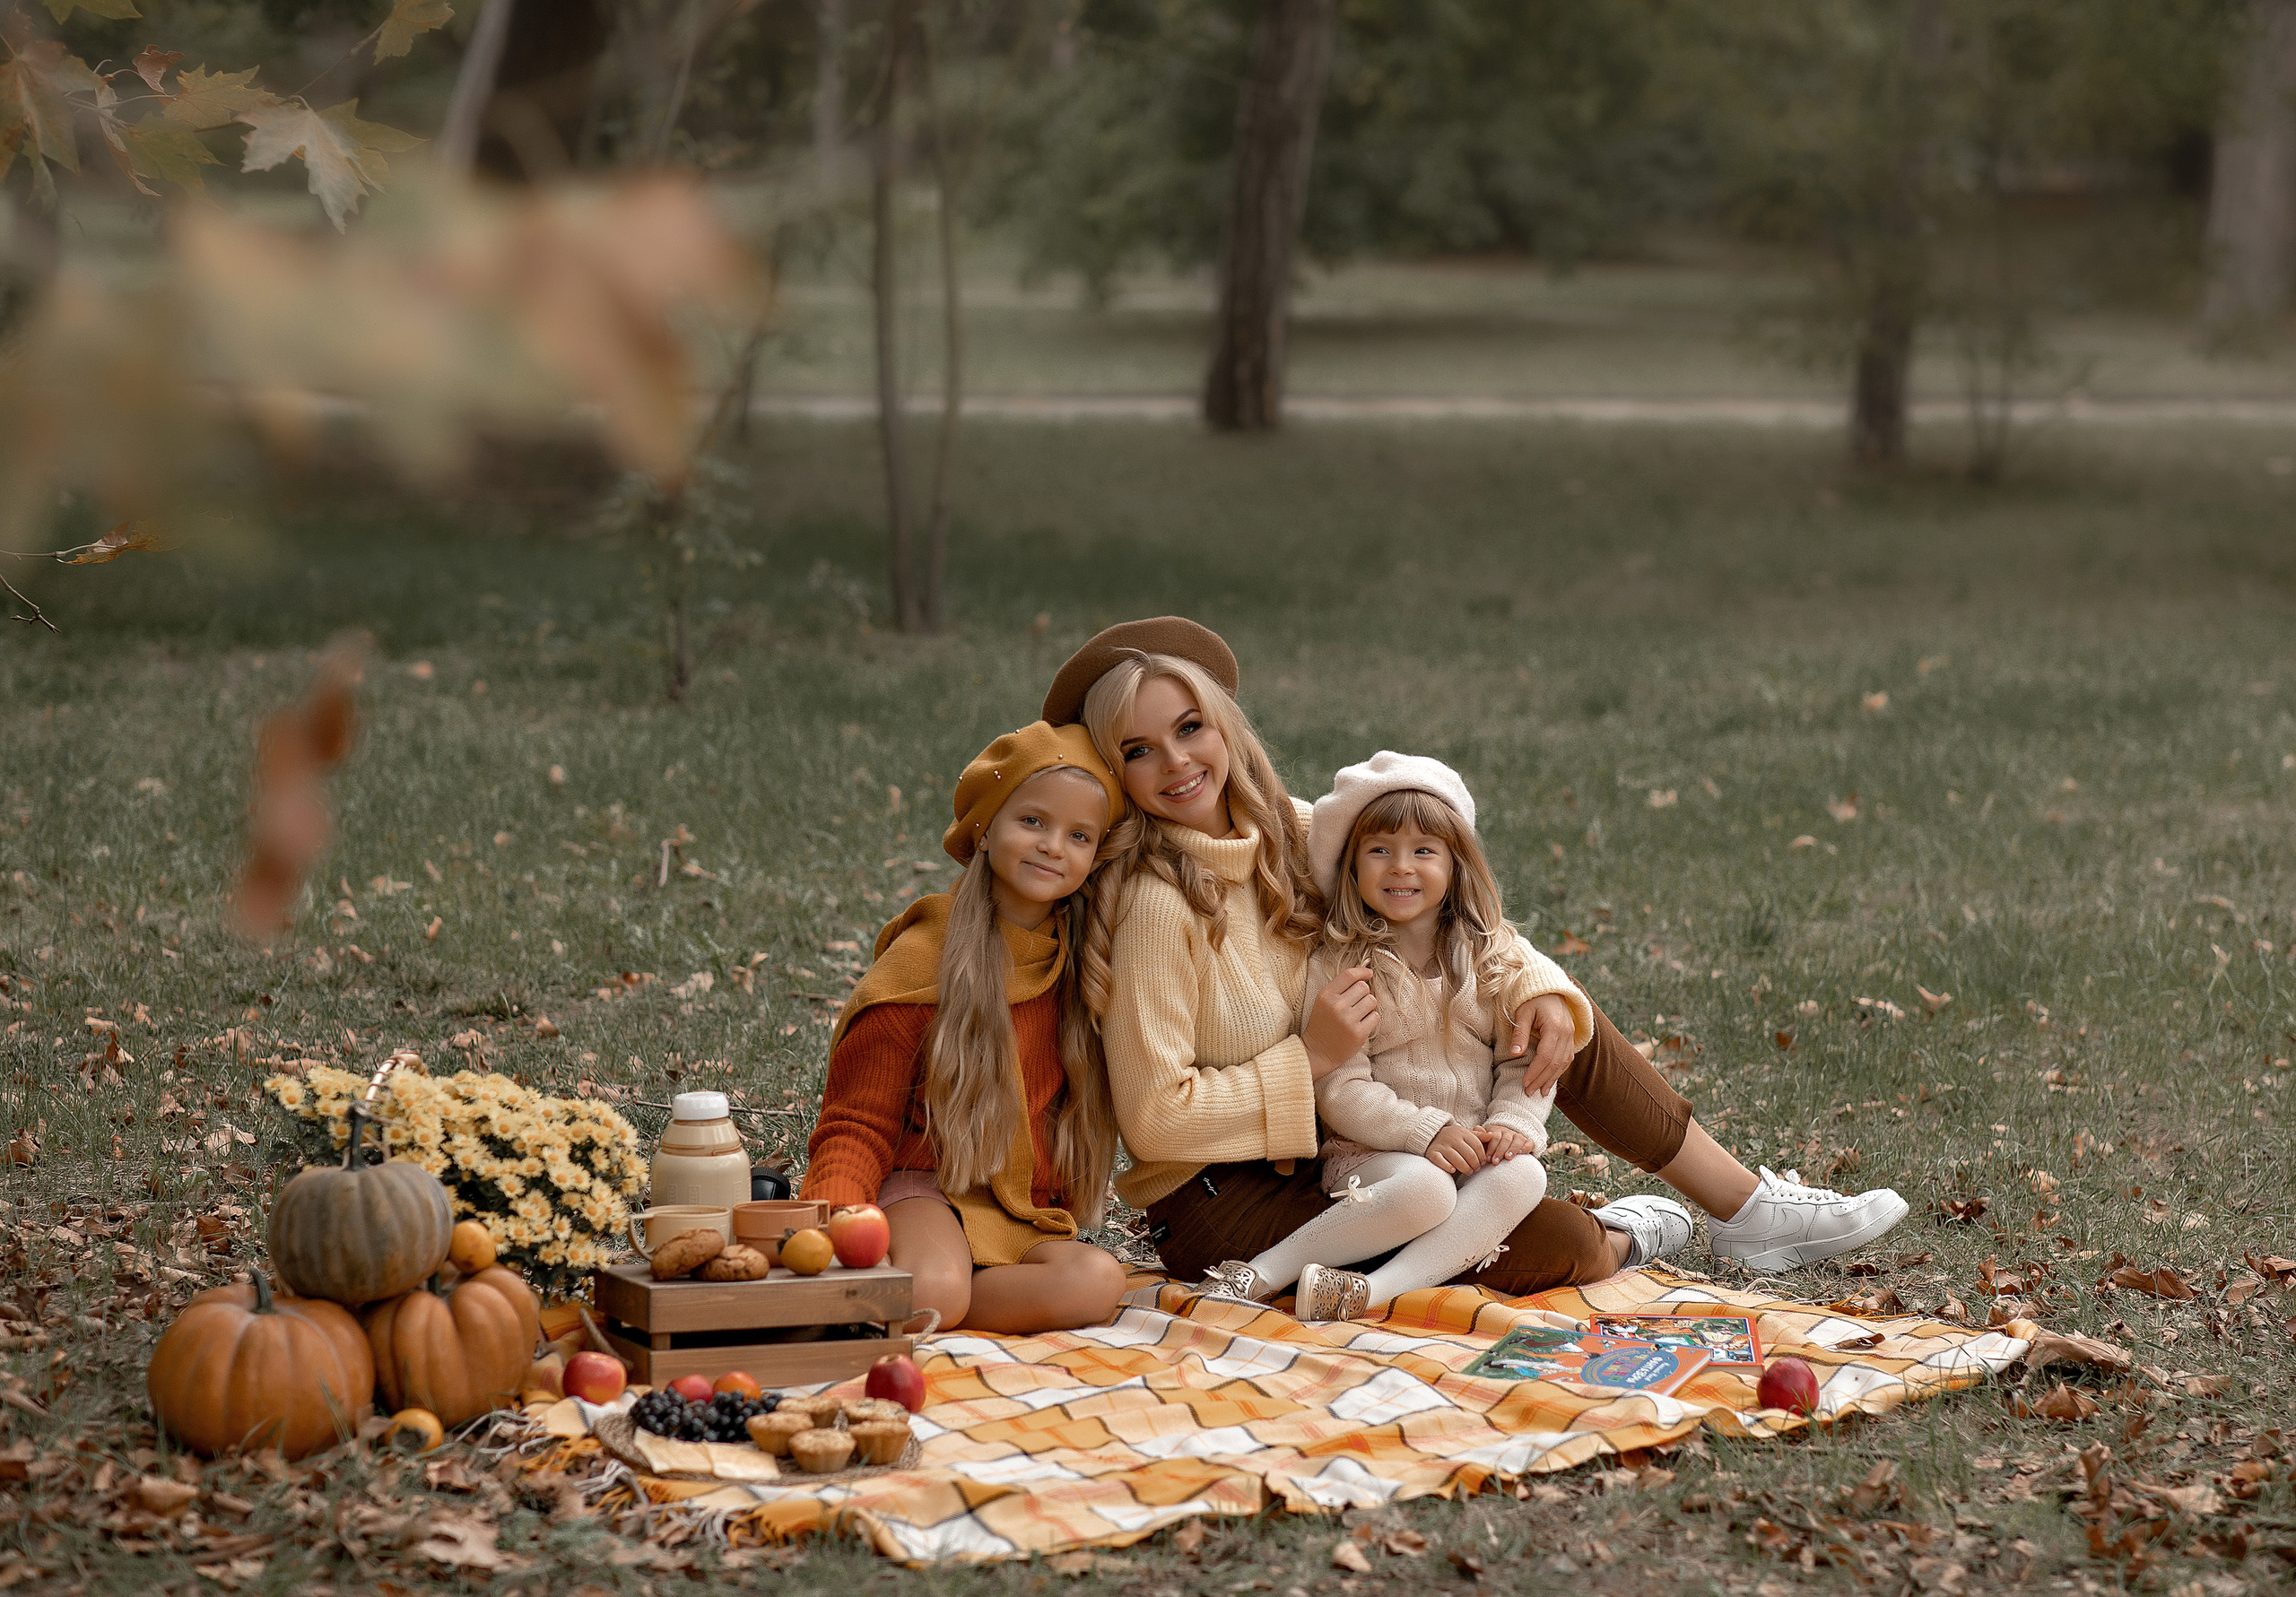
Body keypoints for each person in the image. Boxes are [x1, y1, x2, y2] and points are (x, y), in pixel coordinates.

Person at [1048, 616, 1908, 1300]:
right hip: (1224, 1201)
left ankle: (1747, 1210)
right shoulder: (1159, 905)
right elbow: (1156, 1119)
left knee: (1552, 1011)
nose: (1177, 762)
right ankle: (1624, 1232)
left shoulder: (1295, 834)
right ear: (1115, 774)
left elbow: (1437, 894)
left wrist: (1535, 981)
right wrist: (1308, 1058)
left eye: (1190, 727)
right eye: (1138, 750)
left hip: (1351, 1150)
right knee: (1564, 1243)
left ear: (1223, 724)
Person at [1211, 752, 1690, 1320]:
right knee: (1426, 1190)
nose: (1401, 868)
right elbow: (1339, 1088)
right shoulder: (1342, 963)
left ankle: (1370, 1294)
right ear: (1351, 865)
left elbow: (1526, 1062)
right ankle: (1262, 1273)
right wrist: (1425, 1132)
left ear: (1456, 863)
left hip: (1475, 1155)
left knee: (1525, 1174)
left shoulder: (1489, 956)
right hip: (1376, 1161)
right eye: (1379, 850)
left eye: (1424, 851)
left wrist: (1513, 1123)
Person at [799, 722, 1132, 1333]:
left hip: (1016, 1212)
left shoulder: (1084, 964)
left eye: (1078, 834)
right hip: (924, 1186)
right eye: (1032, 821)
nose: (1053, 845)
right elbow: (857, 1123)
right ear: (984, 827)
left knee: (1100, 1281)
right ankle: (933, 1291)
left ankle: (950, 1300)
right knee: (933, 1288)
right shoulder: (923, 961)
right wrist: (830, 1231)